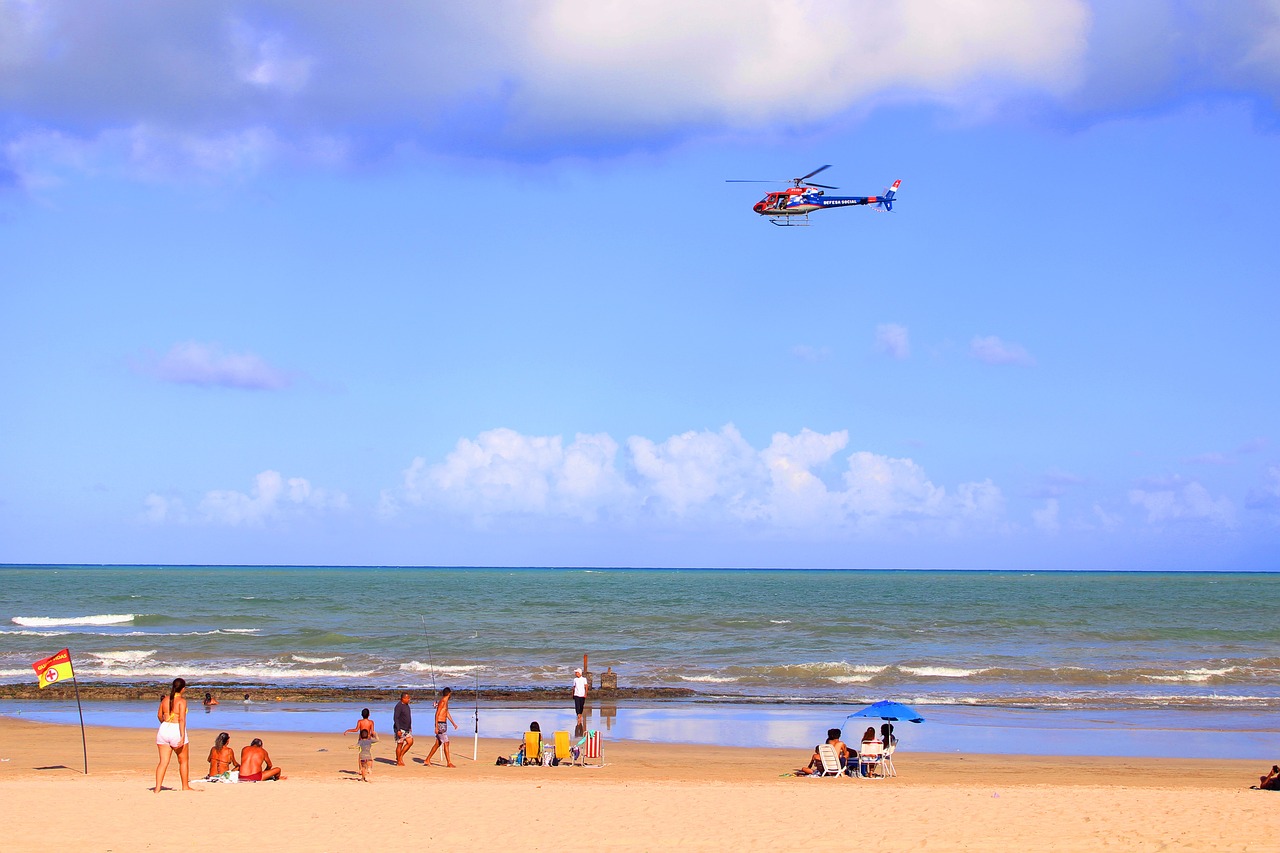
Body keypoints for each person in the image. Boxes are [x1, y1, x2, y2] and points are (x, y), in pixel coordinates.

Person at [154, 677, 195, 793]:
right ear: (183, 689)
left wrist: (164, 725)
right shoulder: (182, 701)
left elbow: (159, 715)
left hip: (164, 729)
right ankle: (185, 786)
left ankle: (157, 788)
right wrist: (182, 737)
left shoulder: (165, 699)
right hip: (176, 729)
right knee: (183, 760)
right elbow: (182, 719)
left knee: (163, 762)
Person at [424, 687, 459, 768]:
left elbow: (446, 713)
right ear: (449, 694)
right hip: (440, 724)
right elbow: (437, 714)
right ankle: (449, 763)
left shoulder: (446, 701)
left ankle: (427, 759)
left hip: (443, 723)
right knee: (446, 742)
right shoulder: (443, 701)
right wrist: (436, 726)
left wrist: (453, 723)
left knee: (438, 743)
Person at [393, 693, 413, 766]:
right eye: (407, 698)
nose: (409, 699)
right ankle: (399, 760)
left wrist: (410, 726)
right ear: (403, 699)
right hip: (400, 728)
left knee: (410, 742)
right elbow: (396, 718)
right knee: (400, 744)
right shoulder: (399, 706)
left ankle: (400, 756)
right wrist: (398, 729)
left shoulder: (407, 706)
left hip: (407, 728)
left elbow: (408, 717)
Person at [572, 667, 589, 732]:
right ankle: (578, 715)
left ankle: (580, 714)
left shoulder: (584, 679)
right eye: (575, 673)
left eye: (577, 672)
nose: (576, 674)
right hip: (576, 694)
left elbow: (586, 686)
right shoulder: (575, 679)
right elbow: (574, 687)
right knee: (577, 705)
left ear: (580, 673)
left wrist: (586, 693)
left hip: (582, 694)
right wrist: (573, 694)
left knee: (581, 706)